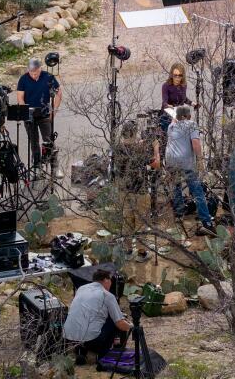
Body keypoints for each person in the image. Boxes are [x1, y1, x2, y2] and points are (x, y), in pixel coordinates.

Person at [163, 105, 215, 236]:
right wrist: (200, 160)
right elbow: (196, 144)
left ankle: (179, 215)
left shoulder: (171, 127)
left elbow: (174, 123)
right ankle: (206, 221)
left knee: (176, 187)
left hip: (171, 161)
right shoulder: (191, 124)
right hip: (185, 162)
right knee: (197, 190)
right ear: (187, 116)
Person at [113, 120, 160, 261]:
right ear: (134, 133)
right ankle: (141, 253)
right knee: (141, 222)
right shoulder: (139, 149)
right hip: (139, 190)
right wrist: (156, 148)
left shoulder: (118, 148)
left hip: (123, 190)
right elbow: (156, 165)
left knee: (127, 220)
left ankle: (127, 251)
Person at [63, 268, 131, 363]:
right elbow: (120, 323)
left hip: (70, 336)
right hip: (92, 339)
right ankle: (103, 355)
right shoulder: (107, 295)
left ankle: (81, 351)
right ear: (106, 280)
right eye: (111, 280)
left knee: (83, 318)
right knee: (114, 321)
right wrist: (132, 327)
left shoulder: (81, 289)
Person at [16, 57, 62, 172]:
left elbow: (59, 93)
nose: (33, 75)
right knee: (34, 142)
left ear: (40, 69)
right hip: (30, 115)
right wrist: (25, 111)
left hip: (45, 114)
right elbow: (20, 98)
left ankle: (54, 166)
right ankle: (37, 165)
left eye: (35, 73)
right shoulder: (23, 79)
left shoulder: (48, 77)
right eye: (31, 72)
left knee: (49, 141)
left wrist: (54, 110)